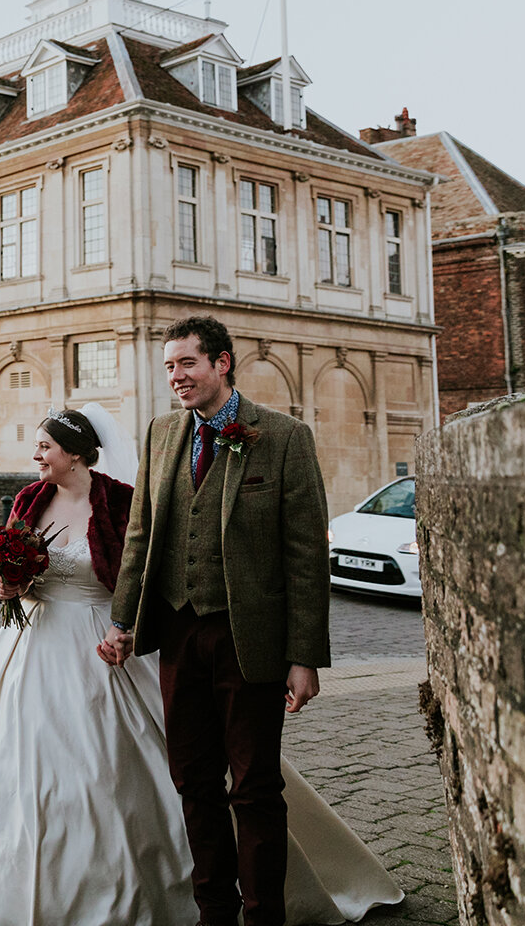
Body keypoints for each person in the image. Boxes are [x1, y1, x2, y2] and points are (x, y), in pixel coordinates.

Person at [0, 393, 402, 924]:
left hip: (102, 642)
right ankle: (15, 879)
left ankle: (174, 889)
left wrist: (128, 629)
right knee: (8, 763)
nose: (37, 456)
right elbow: (14, 570)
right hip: (29, 649)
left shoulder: (118, 501)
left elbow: (147, 565)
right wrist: (8, 583)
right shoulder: (27, 500)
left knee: (131, 771)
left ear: (78, 454)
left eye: (45, 446)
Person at [102, 315, 341, 926]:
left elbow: (308, 555)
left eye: (186, 364)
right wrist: (123, 621)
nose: (176, 377)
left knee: (255, 788)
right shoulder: (160, 434)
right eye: (169, 367)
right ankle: (214, 912)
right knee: (193, 782)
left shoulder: (284, 437)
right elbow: (140, 536)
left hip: (250, 639)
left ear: (222, 363)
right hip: (177, 635)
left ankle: (264, 918)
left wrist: (304, 656)